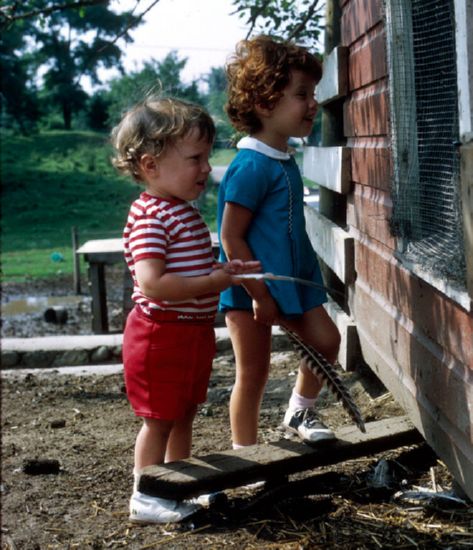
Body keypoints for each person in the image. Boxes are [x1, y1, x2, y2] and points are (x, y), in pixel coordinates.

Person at [111, 97, 260, 524]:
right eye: (195, 158)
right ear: (150, 165)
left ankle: (179, 483)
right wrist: (211, 283)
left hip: (189, 333)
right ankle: (146, 493)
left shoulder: (181, 211)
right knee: (159, 419)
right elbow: (153, 282)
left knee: (183, 413)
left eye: (207, 157)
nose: (206, 168)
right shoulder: (150, 217)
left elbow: (189, 268)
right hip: (160, 334)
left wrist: (221, 270)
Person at [218, 36, 341, 452]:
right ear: (264, 103)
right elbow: (230, 236)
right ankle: (246, 457)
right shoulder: (250, 166)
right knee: (253, 373)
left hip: (293, 277)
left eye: (314, 94)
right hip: (250, 287)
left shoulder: (284, 157)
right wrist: (257, 293)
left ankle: (300, 410)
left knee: (327, 342)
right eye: (301, 95)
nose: (312, 104)